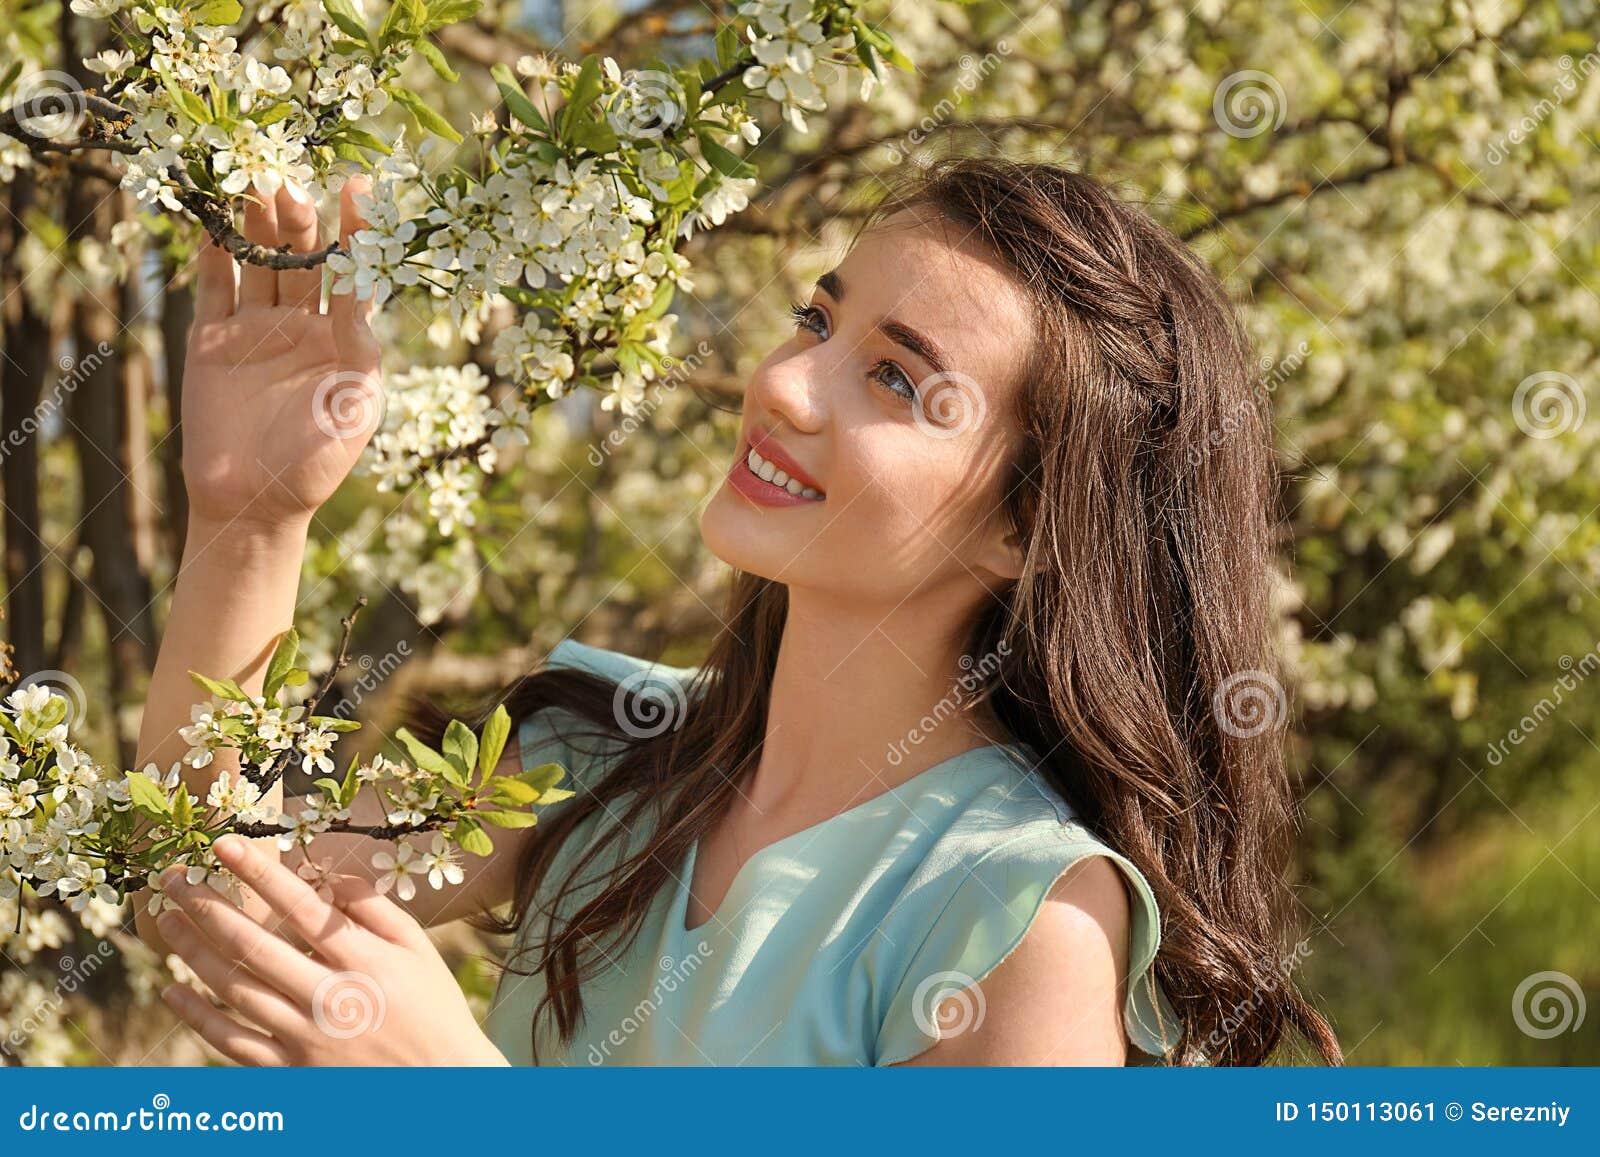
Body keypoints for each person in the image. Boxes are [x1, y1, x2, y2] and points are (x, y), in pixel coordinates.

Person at [135, 154, 1342, 1067]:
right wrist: (248, 521)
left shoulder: (1018, 920)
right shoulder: (591, 751)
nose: (778, 383)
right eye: (818, 320)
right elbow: (207, 895)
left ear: (1029, 526)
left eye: (892, 376)